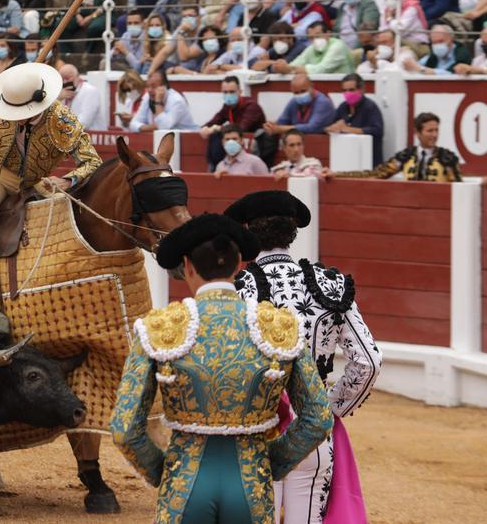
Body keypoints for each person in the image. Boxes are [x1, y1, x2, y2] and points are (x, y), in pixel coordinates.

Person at [112, 213, 332, 524]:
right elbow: (318, 418)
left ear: (186, 265)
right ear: (239, 262)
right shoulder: (279, 327)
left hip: (185, 482)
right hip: (250, 483)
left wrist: (163, 471)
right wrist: (271, 463)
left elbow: (124, 429)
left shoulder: (157, 328)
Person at [228, 190, 381, 524]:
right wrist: (327, 406)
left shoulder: (237, 289)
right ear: (292, 232)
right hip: (311, 433)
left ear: (249, 235)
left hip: (254, 431)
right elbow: (368, 361)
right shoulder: (330, 284)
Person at [0, 64, 101, 322]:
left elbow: (92, 162)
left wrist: (69, 180)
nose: (10, 117)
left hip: (35, 184)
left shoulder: (62, 120)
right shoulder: (3, 100)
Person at [326, 111, 461, 182]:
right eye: (430, 131)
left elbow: (458, 188)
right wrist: (337, 174)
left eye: (436, 130)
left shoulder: (447, 158)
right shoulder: (407, 156)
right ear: (417, 133)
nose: (434, 135)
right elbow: (376, 174)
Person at [201, 74, 266, 169]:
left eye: (231, 92)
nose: (228, 95)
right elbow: (213, 122)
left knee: (217, 134)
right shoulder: (227, 107)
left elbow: (241, 128)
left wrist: (217, 128)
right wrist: (205, 128)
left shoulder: (251, 106)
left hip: (255, 148)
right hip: (233, 147)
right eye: (225, 92)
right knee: (214, 137)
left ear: (240, 92)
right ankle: (214, 169)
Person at [326, 73, 383, 166]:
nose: (348, 93)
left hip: (368, 161)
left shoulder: (370, 107)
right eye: (345, 90)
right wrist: (333, 128)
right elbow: (328, 126)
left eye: (351, 90)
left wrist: (349, 129)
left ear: (362, 89)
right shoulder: (343, 107)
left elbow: (377, 130)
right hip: (345, 158)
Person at [265, 72, 336, 135]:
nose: (300, 95)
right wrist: (271, 126)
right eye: (296, 92)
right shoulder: (294, 101)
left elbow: (311, 128)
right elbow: (281, 122)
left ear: (312, 86)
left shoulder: (323, 102)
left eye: (303, 91)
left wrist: (281, 129)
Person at [129, 70, 197, 131]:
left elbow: (163, 127)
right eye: (147, 86)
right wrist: (150, 127)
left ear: (164, 86)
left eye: (153, 86)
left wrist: (158, 102)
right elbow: (133, 124)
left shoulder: (176, 101)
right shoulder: (147, 97)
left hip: (189, 140)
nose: (149, 90)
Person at [58, 63, 107, 131]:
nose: (65, 82)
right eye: (62, 79)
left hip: (93, 139)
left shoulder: (90, 91)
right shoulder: (62, 94)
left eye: (67, 78)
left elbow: (84, 123)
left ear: (78, 76)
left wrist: (61, 128)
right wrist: (58, 99)